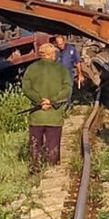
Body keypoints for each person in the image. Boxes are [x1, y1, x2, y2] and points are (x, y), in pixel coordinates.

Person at [22, 42, 72, 173]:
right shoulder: (62, 70)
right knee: (53, 146)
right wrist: (53, 101)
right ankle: (51, 170)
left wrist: (40, 101)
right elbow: (67, 88)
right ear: (50, 54)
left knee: (35, 145)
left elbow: (26, 88)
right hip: (54, 115)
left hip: (37, 115)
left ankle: (35, 167)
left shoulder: (32, 69)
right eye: (54, 53)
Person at [54, 35, 83, 103]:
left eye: (62, 44)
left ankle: (67, 104)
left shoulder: (71, 49)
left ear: (64, 41)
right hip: (58, 74)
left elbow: (78, 62)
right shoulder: (55, 51)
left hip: (68, 73)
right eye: (59, 44)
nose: (61, 46)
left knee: (68, 89)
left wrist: (80, 74)